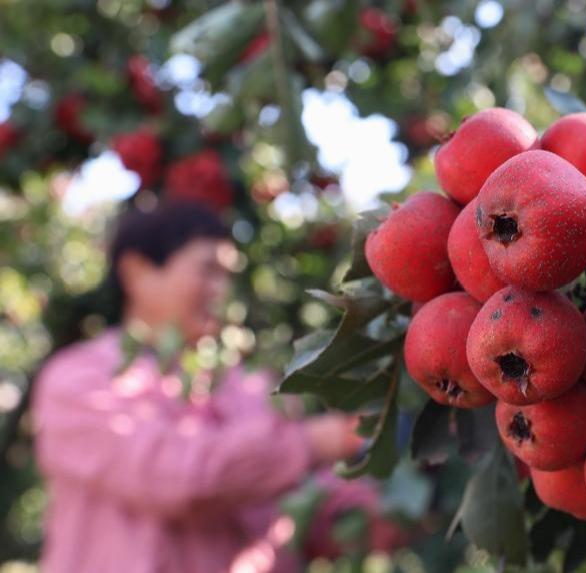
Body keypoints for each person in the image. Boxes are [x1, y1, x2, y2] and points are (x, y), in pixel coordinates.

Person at [32, 202, 368, 572]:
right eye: (207, 270)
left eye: (227, 275)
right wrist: (313, 442)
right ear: (137, 272)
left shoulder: (250, 385)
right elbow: (172, 475)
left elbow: (301, 512)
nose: (221, 290)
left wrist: (371, 506)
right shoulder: (79, 380)